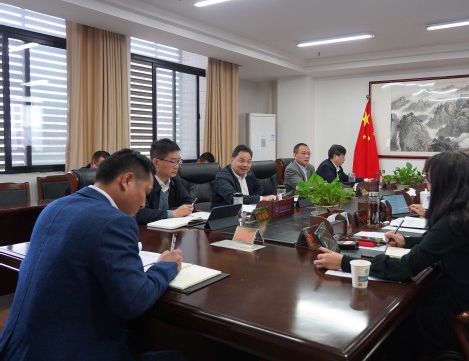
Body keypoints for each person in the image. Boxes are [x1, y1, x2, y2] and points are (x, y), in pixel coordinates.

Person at [315, 151, 469, 358]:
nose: (427, 186)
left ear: (443, 184)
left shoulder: (456, 220)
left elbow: (403, 269)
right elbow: (440, 243)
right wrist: (407, 241)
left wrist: (344, 262)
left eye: (428, 180)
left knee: (390, 322)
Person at [0, 149, 183, 360]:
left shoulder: (54, 207)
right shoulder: (115, 221)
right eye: (145, 192)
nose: (143, 203)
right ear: (127, 180)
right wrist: (165, 266)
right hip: (67, 352)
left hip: (17, 349)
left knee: (132, 339)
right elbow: (133, 302)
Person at [135, 138, 193, 224]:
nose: (176, 166)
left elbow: (187, 202)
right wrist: (172, 213)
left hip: (171, 227)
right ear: (156, 162)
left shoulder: (175, 179)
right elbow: (139, 214)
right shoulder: (144, 182)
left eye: (178, 161)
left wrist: (180, 211)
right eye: (173, 161)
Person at [211, 144, 276, 207]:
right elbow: (233, 198)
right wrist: (261, 199)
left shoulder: (249, 174)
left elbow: (259, 188)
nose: (245, 165)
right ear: (232, 160)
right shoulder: (222, 177)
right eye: (242, 161)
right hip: (227, 213)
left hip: (248, 211)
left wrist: (251, 202)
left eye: (248, 161)